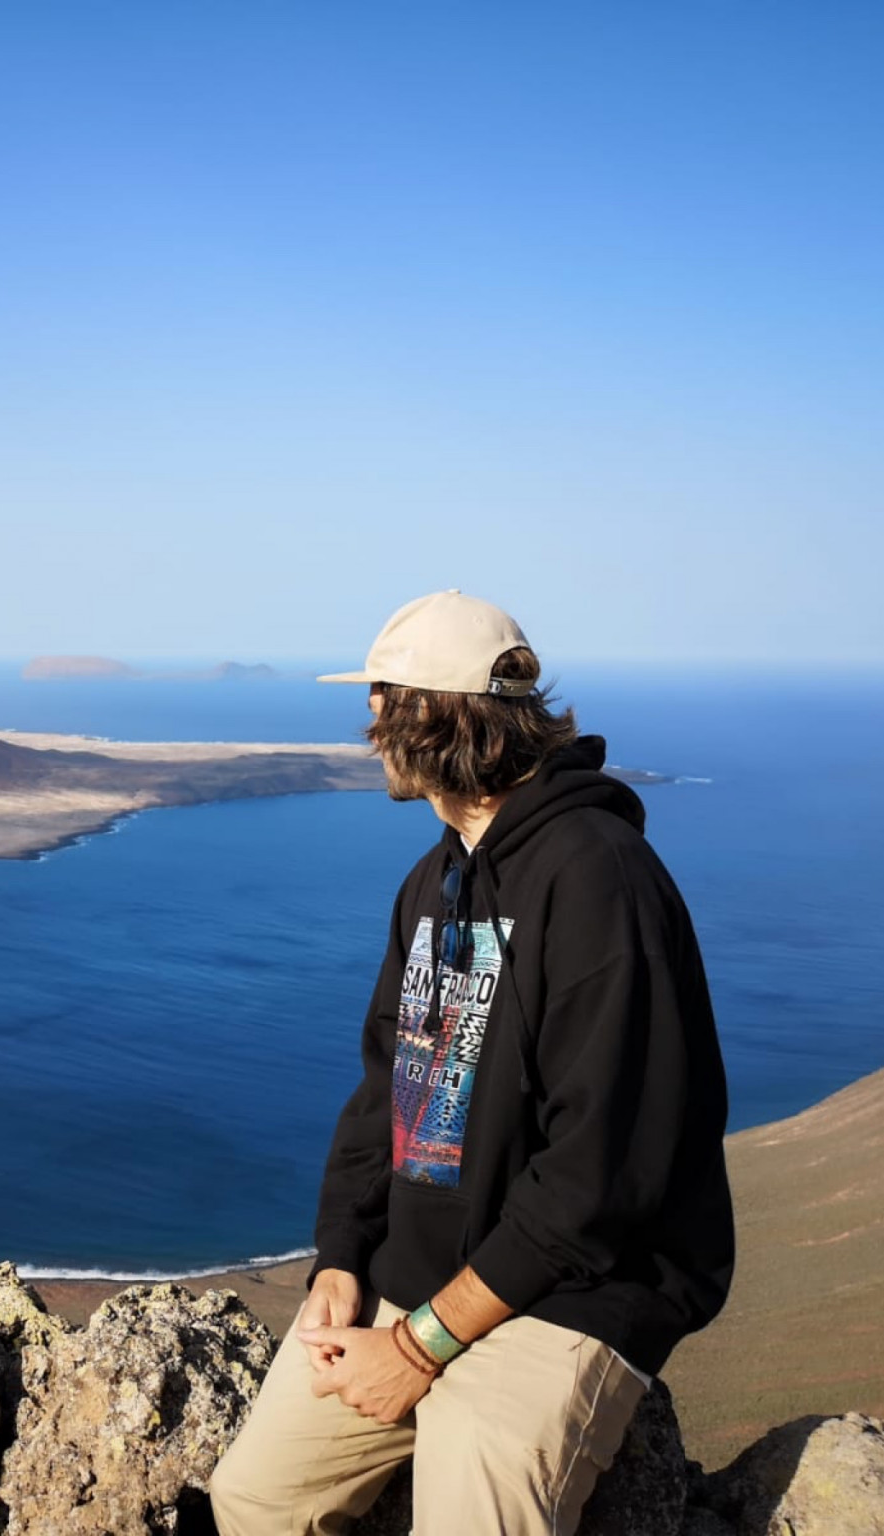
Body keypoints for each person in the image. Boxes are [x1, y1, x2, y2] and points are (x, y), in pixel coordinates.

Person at [209, 590, 734, 1535]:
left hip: (571, 1297)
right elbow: (386, 1090)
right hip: (420, 1277)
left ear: (436, 713)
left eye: (381, 697)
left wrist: (419, 1347)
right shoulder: (436, 882)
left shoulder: (598, 878)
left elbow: (600, 1170)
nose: (368, 721)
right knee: (253, 1499)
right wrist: (341, 1261)